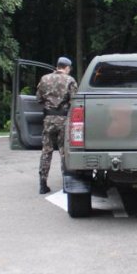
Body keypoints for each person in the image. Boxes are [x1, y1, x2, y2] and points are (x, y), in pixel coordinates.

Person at [36, 56, 78, 194]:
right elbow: (74, 102)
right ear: (67, 68)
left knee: (46, 151)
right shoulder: (70, 80)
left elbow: (38, 99)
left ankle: (43, 184)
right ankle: (67, 183)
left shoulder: (44, 79)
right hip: (64, 119)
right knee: (64, 151)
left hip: (48, 119)